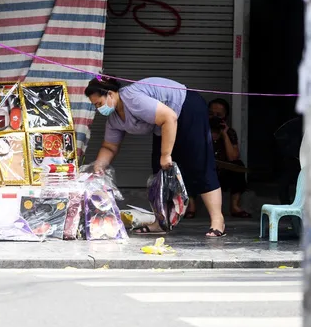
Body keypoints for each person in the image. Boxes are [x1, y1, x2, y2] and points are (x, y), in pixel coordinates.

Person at [85, 76, 226, 237]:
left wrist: (166, 155)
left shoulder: (132, 98)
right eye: (95, 106)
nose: (98, 109)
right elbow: (109, 146)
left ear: (110, 94)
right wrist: (99, 166)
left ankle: (217, 221)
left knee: (199, 163)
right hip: (165, 125)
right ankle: (161, 222)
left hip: (187, 107)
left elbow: (169, 117)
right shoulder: (114, 119)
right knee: (159, 171)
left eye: (99, 104)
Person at [206, 98, 251, 218]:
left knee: (239, 166)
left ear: (225, 116)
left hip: (222, 173)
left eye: (218, 115)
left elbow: (233, 157)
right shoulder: (201, 131)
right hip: (205, 172)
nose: (214, 117)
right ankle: (191, 206)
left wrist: (224, 134)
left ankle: (234, 206)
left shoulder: (230, 132)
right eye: (211, 114)